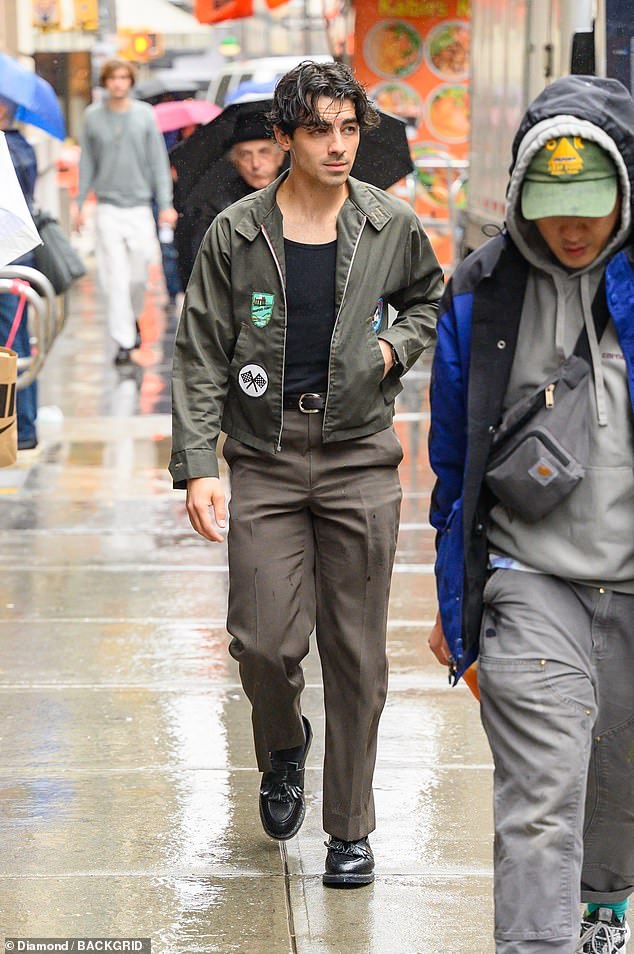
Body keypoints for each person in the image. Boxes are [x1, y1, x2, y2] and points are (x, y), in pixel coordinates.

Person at [170, 60, 443, 886]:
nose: (337, 145)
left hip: (360, 456)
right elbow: (200, 352)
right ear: (283, 137)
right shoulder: (237, 232)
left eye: (349, 128)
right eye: (319, 129)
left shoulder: (391, 224)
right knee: (262, 643)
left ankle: (350, 829)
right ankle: (283, 747)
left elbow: (429, 299)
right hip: (267, 459)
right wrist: (197, 466)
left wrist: (393, 348)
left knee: (357, 653)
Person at [428, 74, 634, 953]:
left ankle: (604, 914)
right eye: (555, 206)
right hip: (529, 583)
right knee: (541, 803)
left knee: (617, 799)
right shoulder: (481, 292)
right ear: (519, 199)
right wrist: (452, 602)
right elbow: (451, 466)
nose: (574, 226)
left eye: (592, 204)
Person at [74, 59, 177, 365]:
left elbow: (158, 162)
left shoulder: (144, 116)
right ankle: (123, 340)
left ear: (131, 81)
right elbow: (87, 163)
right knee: (114, 278)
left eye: (123, 77)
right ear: (105, 82)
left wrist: (167, 204)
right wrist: (79, 203)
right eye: (113, 78)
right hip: (107, 208)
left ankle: (131, 319)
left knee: (138, 277)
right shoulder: (92, 117)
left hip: (139, 207)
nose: (118, 83)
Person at [172, 112, 285, 290]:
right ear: (236, 161)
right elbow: (205, 262)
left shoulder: (300, 197)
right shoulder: (219, 206)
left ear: (280, 156)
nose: (255, 164)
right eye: (246, 155)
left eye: (264, 152)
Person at [0, 95, 38, 450]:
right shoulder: (22, 146)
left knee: (12, 345)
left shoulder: (11, 148)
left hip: (11, 255)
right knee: (15, 343)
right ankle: (22, 426)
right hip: (16, 254)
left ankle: (21, 427)